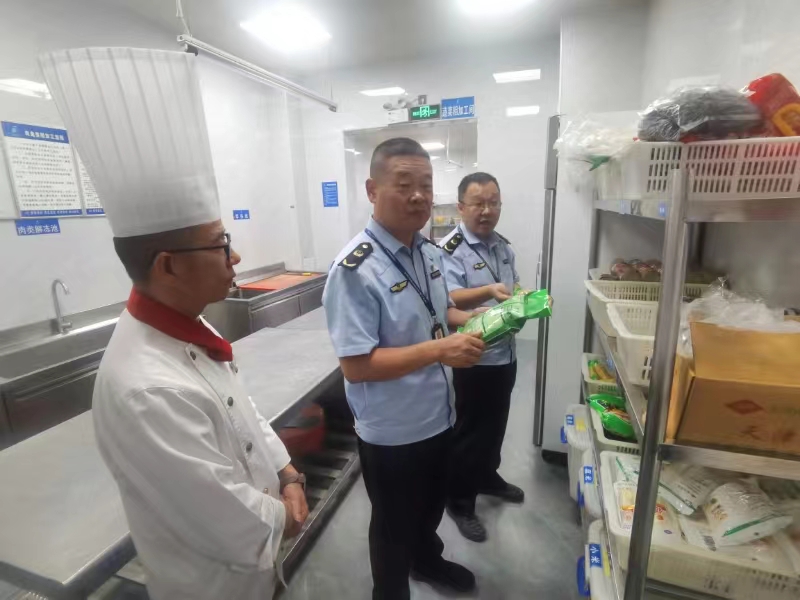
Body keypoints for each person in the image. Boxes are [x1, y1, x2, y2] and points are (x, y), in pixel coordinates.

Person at [41, 47, 308, 600]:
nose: (236, 257)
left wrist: (287, 472)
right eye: (221, 245)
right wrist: (286, 512)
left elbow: (242, 411)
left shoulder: (190, 328)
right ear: (168, 265)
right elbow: (227, 518)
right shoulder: (147, 388)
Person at [323, 138, 486, 599]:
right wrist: (439, 351)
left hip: (438, 415)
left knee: (430, 509)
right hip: (393, 432)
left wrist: (472, 319)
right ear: (372, 190)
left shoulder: (427, 253)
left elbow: (436, 313)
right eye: (404, 184)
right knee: (394, 527)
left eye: (426, 185)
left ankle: (427, 561)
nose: (418, 196)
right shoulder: (355, 269)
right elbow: (356, 366)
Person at [438, 172, 524, 543]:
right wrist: (487, 292)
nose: (486, 210)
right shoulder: (449, 249)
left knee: (496, 425)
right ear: (461, 207)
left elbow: (512, 288)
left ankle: (487, 476)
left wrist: (526, 302)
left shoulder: (502, 247)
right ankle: (459, 500)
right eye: (478, 203)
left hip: (505, 354)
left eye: (493, 203)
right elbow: (447, 299)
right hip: (472, 358)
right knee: (470, 432)